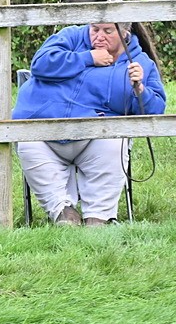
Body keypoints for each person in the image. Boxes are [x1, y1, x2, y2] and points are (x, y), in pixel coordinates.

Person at [13, 23, 165, 226]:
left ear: (125, 32)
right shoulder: (72, 36)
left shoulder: (140, 62)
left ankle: (98, 217)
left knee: (115, 141)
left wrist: (140, 89)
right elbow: (40, 64)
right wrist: (88, 58)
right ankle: (62, 212)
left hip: (95, 138)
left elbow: (155, 110)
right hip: (42, 133)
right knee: (27, 141)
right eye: (95, 29)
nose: (99, 37)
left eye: (108, 31)